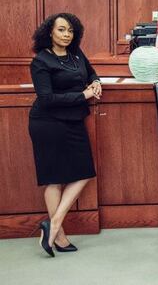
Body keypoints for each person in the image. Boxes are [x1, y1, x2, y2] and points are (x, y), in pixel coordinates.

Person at [29, 13, 101, 257]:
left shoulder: (76, 54)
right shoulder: (41, 61)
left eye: (70, 30)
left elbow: (90, 73)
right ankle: (57, 236)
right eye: (61, 30)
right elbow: (47, 99)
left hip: (74, 121)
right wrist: (84, 96)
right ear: (50, 32)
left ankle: (53, 222)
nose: (66, 35)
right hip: (48, 123)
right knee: (54, 179)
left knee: (84, 173)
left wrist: (96, 82)